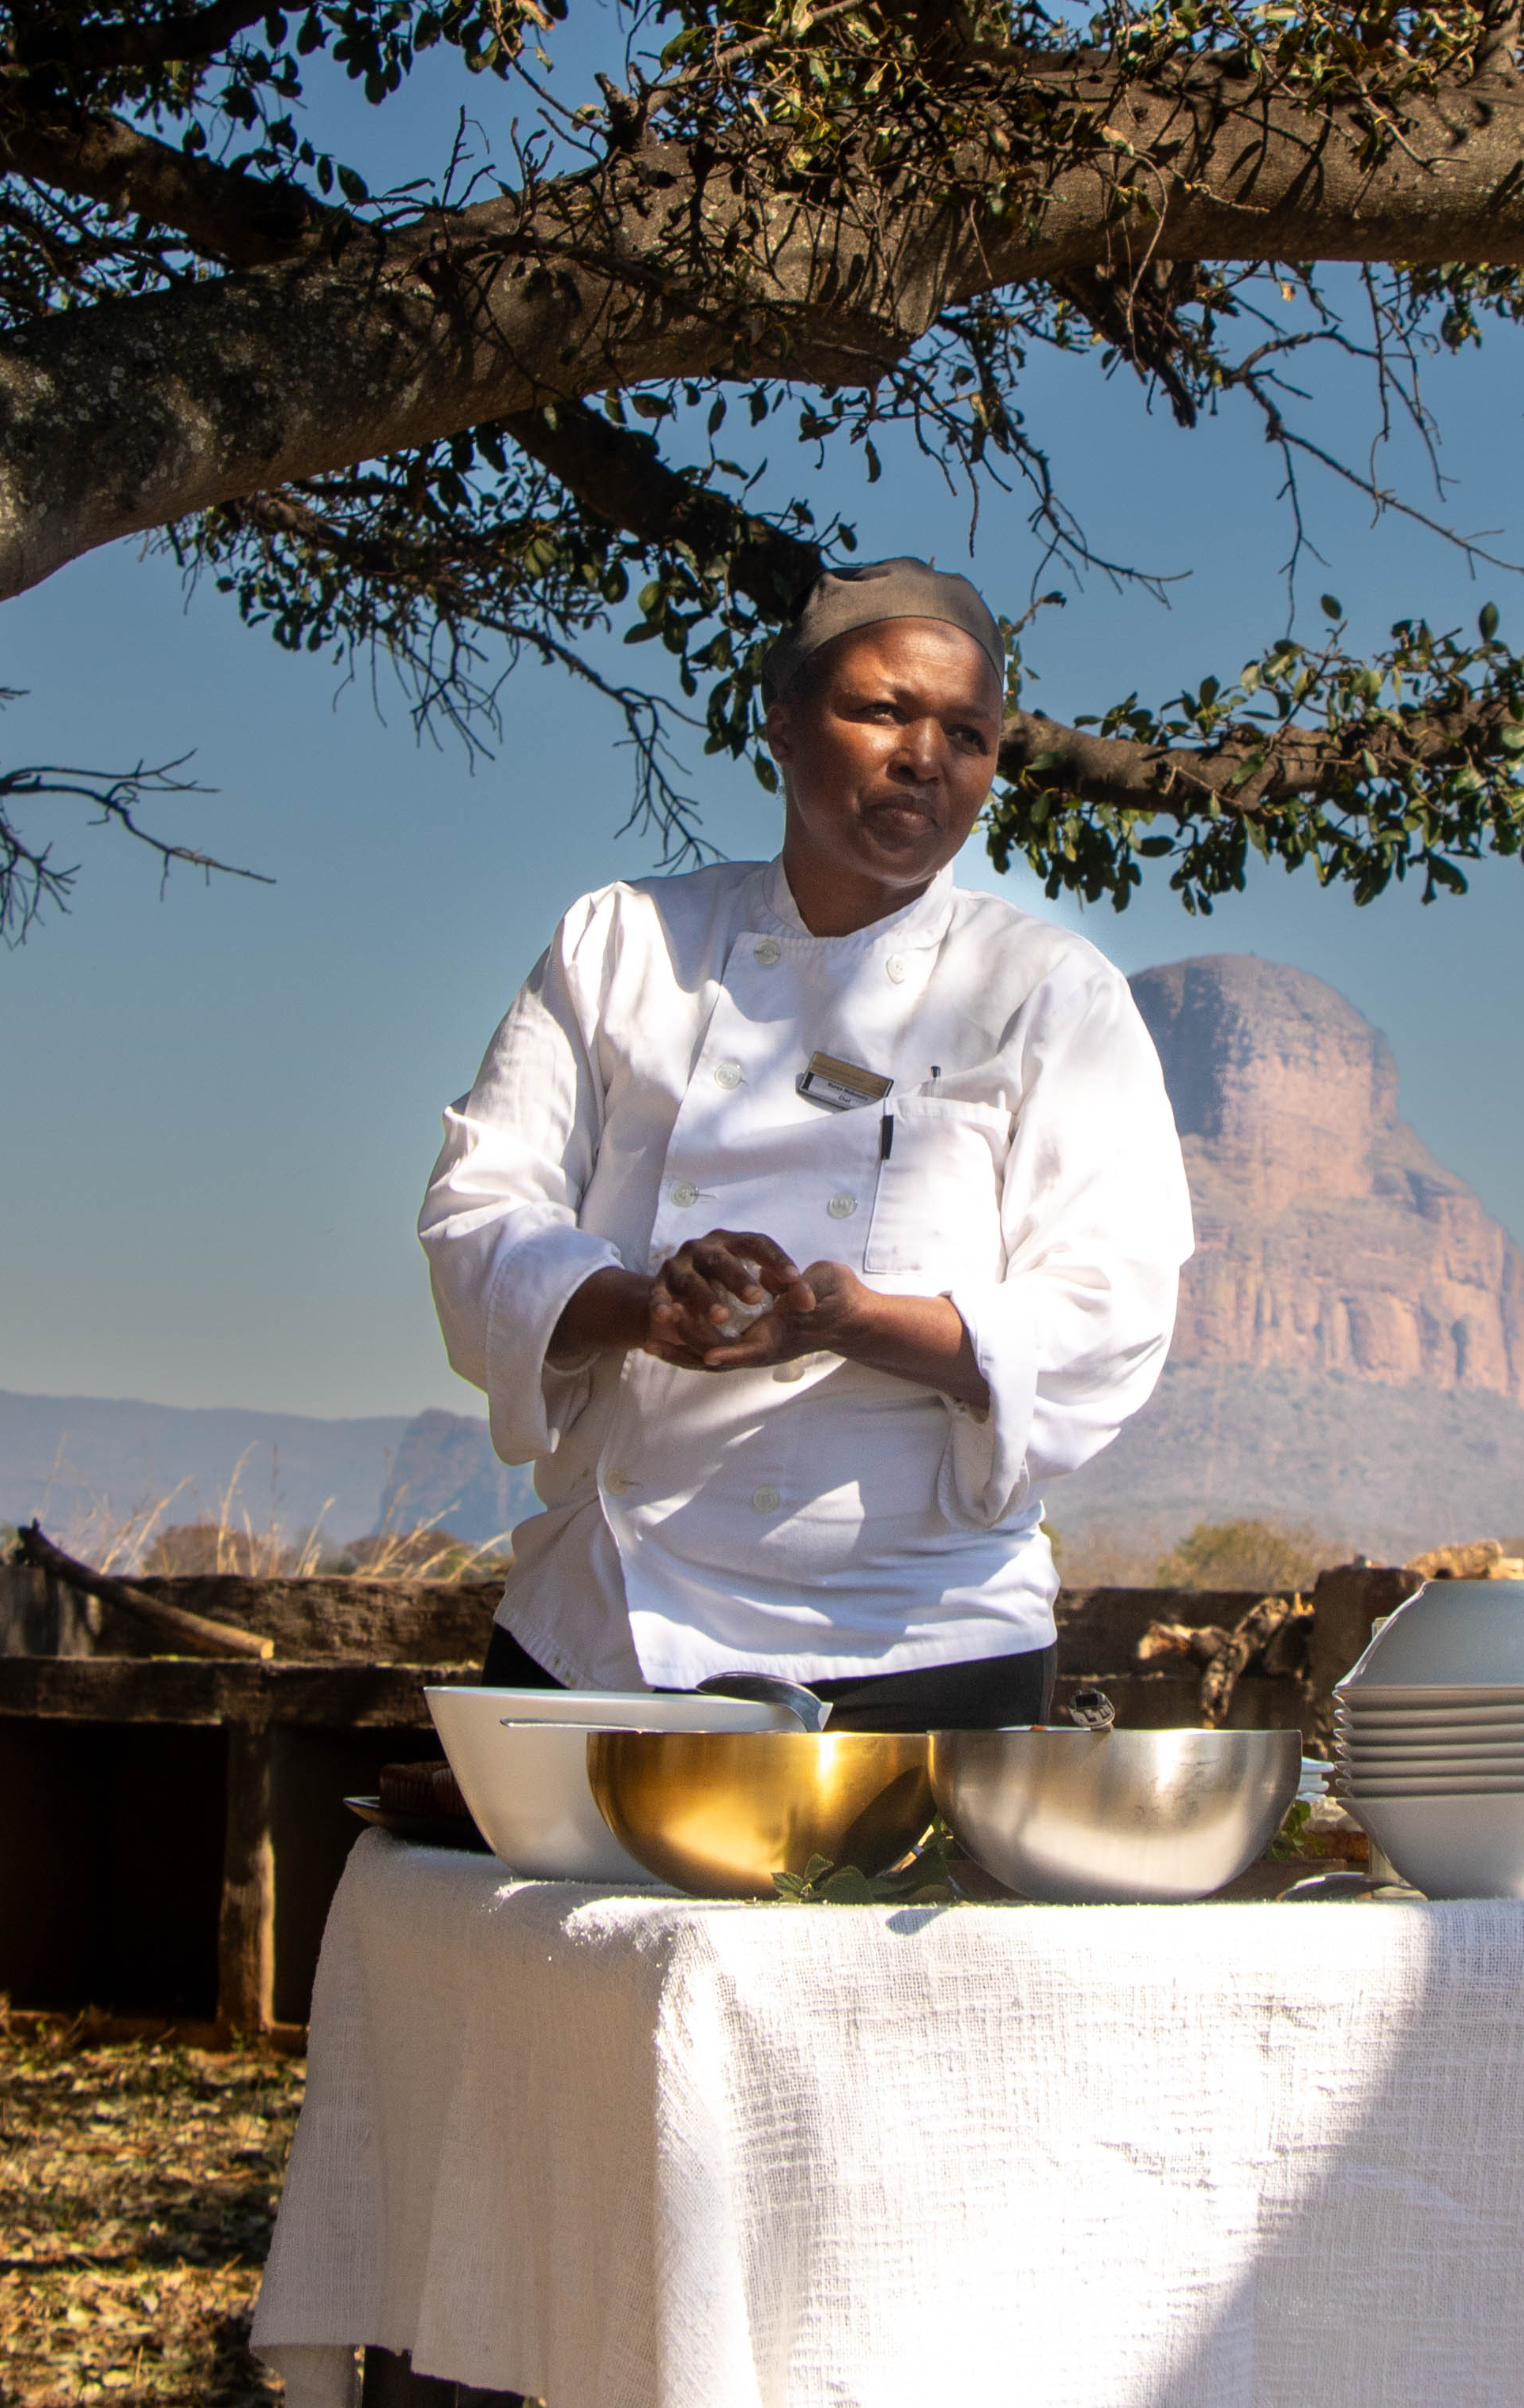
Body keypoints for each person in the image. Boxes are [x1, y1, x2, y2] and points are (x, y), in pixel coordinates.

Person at [418, 559, 1194, 1729]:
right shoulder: (623, 944)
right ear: (780, 721)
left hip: (920, 1634)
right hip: (608, 1616)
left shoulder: (1047, 991)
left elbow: (1110, 1311)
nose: (925, 757)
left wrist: (850, 1318)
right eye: (881, 709)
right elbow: (479, 1217)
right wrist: (641, 1309)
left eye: (969, 733)